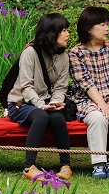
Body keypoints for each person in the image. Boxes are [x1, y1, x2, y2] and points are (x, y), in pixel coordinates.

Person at [5, 13, 72, 180]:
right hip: (20, 103)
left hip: (45, 101)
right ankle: (29, 167)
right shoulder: (30, 53)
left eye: (67, 30)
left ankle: (66, 166)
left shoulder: (64, 56)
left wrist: (56, 102)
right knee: (41, 116)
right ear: (51, 33)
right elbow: (25, 86)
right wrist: (41, 105)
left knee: (57, 117)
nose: (68, 34)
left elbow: (61, 87)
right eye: (63, 30)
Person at [65, 6, 109, 179]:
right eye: (102, 24)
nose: (107, 28)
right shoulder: (76, 53)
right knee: (97, 117)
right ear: (88, 29)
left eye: (107, 24)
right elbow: (84, 82)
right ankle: (99, 164)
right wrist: (101, 103)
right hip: (88, 100)